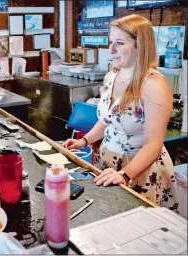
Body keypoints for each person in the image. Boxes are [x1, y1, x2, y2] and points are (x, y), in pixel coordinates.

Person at [63, 14, 178, 211]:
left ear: (140, 46)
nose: (111, 50)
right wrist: (84, 141)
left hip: (139, 169)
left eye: (119, 43)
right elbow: (108, 120)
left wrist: (125, 174)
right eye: (110, 42)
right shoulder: (111, 77)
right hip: (107, 161)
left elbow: (153, 145)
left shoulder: (153, 85)